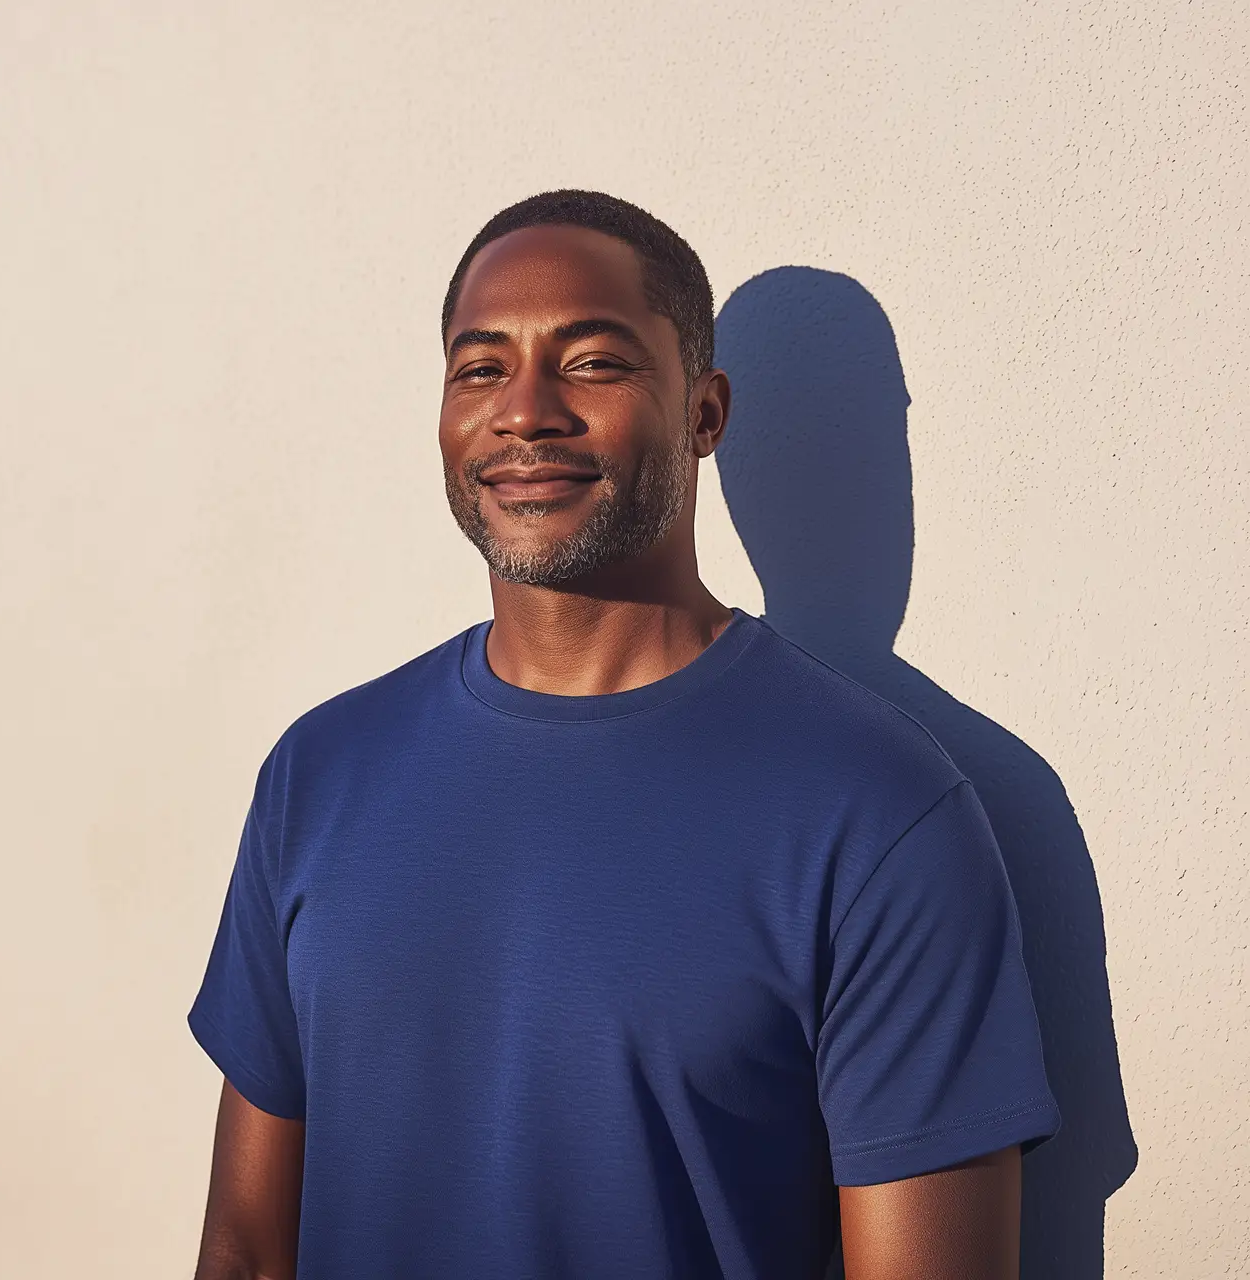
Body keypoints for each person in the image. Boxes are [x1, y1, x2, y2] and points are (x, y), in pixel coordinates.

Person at [187, 189, 1060, 1280]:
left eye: (593, 362)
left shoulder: (878, 810)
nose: (524, 410)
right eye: (479, 367)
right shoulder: (319, 775)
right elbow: (247, 1248)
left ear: (704, 414)